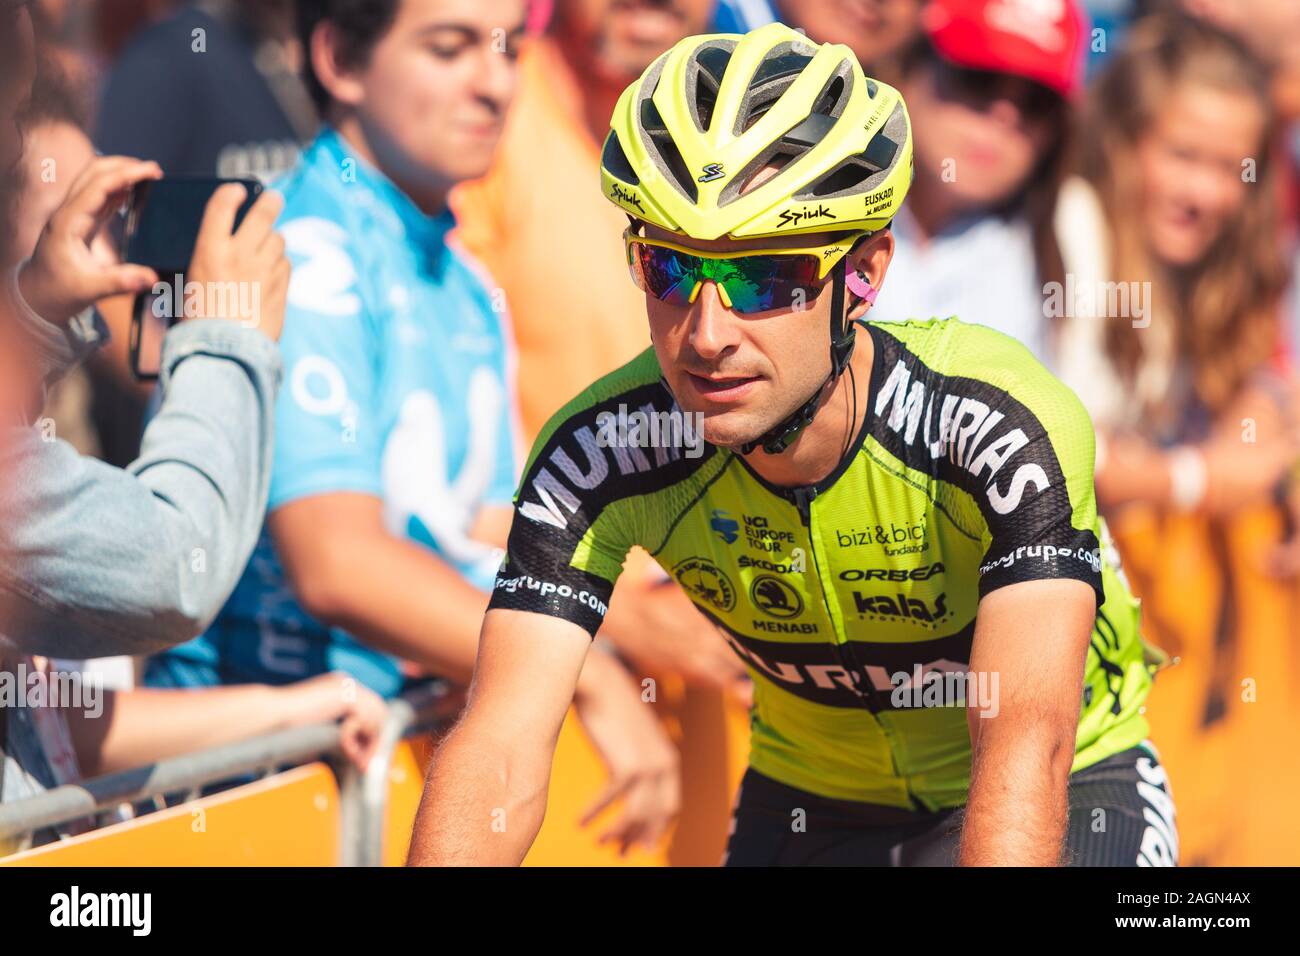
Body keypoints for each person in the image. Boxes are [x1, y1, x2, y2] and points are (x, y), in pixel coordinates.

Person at [408, 23, 1175, 867]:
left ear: (865, 276)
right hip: (815, 797)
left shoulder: (992, 421)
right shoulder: (601, 450)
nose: (706, 335)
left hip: (1064, 789)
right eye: (668, 269)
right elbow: (501, 747)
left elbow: (1026, 742)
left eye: (763, 278)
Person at [146, 0, 680, 855]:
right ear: (339, 61)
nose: (495, 84)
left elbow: (480, 528)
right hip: (252, 798)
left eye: (510, 50)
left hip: (378, 775)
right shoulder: (298, 247)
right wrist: (577, 675)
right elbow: (340, 565)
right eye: (449, 48)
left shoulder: (462, 273)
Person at [865, 0, 1083, 367]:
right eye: (979, 79)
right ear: (909, 70)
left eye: (1036, 102)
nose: (1005, 114)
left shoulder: (1070, 248)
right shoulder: (807, 195)